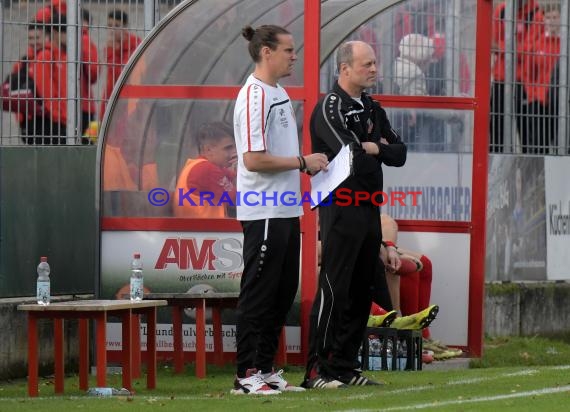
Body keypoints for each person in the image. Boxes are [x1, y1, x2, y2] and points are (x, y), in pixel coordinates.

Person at [303, 40, 407, 389]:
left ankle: (344, 366)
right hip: (341, 206)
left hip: (369, 206)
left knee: (363, 289)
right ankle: (316, 369)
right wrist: (375, 153)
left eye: (375, 62)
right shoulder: (330, 106)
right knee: (335, 287)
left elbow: (400, 154)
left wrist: (375, 147)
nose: (374, 69)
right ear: (345, 69)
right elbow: (350, 156)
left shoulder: (373, 108)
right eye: (367, 64)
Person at [232, 24, 328, 395]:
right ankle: (246, 374)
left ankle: (267, 368)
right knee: (259, 291)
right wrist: (302, 162)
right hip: (264, 209)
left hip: (285, 209)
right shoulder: (254, 95)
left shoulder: (279, 92)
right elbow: (253, 160)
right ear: (266, 52)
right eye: (288, 50)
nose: (294, 56)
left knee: (283, 290)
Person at [173, 122, 237, 218]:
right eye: (228, 148)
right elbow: (237, 199)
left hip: (196, 230)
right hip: (201, 230)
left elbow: (234, 176)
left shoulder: (197, 164)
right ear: (208, 150)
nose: (234, 152)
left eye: (236, 147)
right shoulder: (206, 169)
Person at [1, 20, 49, 142]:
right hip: (29, 119)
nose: (33, 42)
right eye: (30, 38)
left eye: (37, 37)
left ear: (47, 37)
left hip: (50, 119)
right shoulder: (24, 62)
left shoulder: (56, 58)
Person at [27, 13, 68, 144]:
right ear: (55, 33)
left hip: (61, 119)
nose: (70, 36)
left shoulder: (62, 55)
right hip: (51, 121)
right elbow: (46, 92)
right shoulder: (45, 55)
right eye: (66, 31)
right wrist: (58, 116)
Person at [100, 10, 142, 119]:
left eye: (116, 26)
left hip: (128, 99)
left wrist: (111, 51)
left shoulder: (134, 45)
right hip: (112, 96)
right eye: (109, 26)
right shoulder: (110, 46)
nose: (112, 30)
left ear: (125, 27)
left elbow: (121, 75)